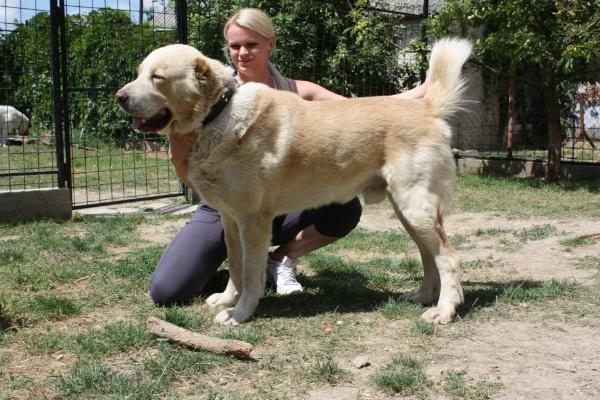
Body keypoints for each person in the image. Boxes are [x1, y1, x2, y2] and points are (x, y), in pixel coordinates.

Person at [149, 8, 428, 305]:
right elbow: (183, 168)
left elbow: (362, 111)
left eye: (251, 45)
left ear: (271, 44)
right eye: (235, 46)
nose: (242, 53)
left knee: (345, 206)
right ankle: (234, 272)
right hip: (221, 206)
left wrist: (424, 91)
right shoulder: (207, 99)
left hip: (282, 201)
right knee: (168, 291)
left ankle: (279, 258)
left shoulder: (296, 90)